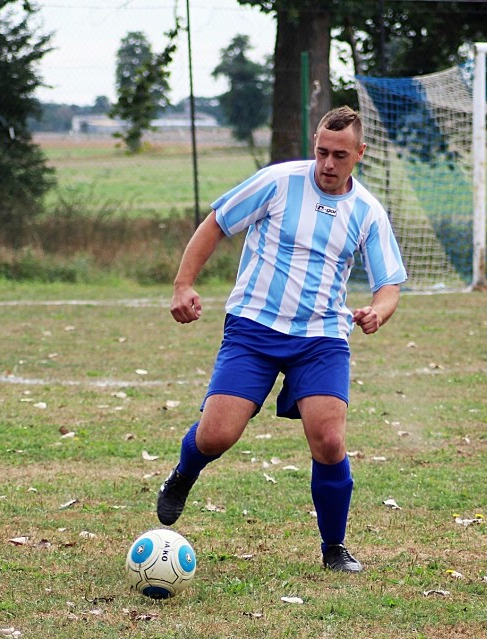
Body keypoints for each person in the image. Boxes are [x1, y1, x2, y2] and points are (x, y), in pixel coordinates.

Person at [157, 106, 408, 573]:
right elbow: (216, 222)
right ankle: (183, 473)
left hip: (321, 337)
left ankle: (334, 548)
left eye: (339, 155)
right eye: (321, 152)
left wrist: (379, 310)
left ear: (360, 153)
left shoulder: (368, 211)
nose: (327, 165)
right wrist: (183, 284)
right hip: (254, 327)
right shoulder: (278, 182)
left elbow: (389, 282)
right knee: (216, 436)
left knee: (329, 440)